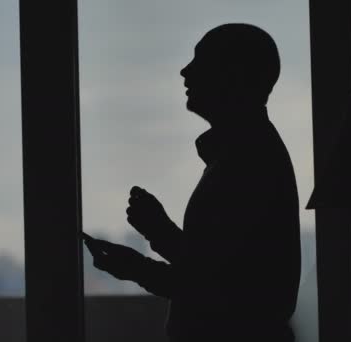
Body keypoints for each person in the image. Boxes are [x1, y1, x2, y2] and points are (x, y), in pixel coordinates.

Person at [84, 23, 301, 342]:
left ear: (234, 75)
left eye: (201, 61)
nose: (186, 72)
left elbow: (217, 290)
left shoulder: (245, 162)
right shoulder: (249, 154)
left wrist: (137, 266)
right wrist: (158, 231)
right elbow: (217, 270)